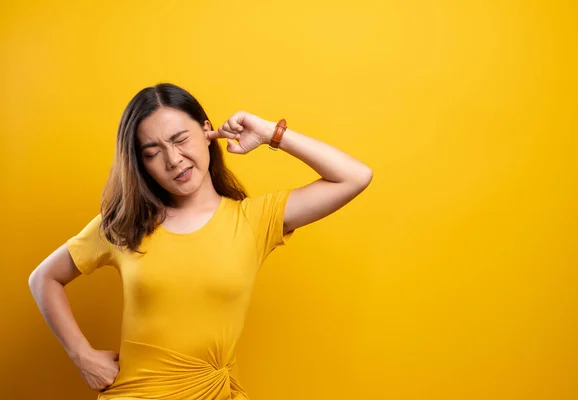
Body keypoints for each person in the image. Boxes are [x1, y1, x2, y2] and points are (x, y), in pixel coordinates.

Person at [28, 82, 373, 399]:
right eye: (152, 152)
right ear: (141, 164)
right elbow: (44, 277)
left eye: (180, 139)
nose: (173, 159)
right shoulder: (124, 225)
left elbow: (354, 177)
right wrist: (81, 354)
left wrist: (271, 133)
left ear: (207, 130)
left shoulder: (254, 219)